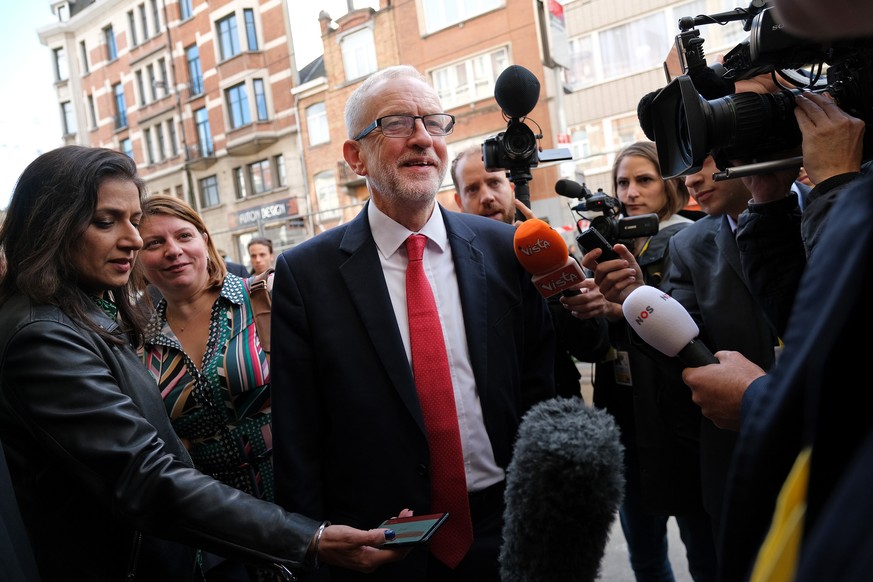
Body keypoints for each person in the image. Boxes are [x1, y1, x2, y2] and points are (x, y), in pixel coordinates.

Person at [0, 145, 409, 581]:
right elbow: (145, 475)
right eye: (106, 222)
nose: (135, 240)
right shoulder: (43, 335)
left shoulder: (87, 315)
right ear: (52, 224)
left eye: (135, 223)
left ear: (205, 240)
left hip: (272, 511)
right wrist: (308, 540)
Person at [270, 65, 556, 582]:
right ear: (356, 156)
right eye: (398, 123)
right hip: (380, 546)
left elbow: (540, 387)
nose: (423, 138)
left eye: (434, 123)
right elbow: (299, 435)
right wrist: (313, 549)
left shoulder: (502, 249)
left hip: (510, 530)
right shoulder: (305, 275)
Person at [569, 141, 717, 582]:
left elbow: (699, 331)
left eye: (644, 179)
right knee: (646, 557)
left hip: (681, 422)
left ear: (669, 184)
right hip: (624, 422)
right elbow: (592, 348)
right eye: (622, 182)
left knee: (706, 552)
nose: (631, 192)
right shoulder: (602, 248)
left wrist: (628, 309)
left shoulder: (692, 237)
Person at [135, 194, 278, 581]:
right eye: (154, 243)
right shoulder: (137, 341)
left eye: (183, 236)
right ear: (137, 257)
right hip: (213, 531)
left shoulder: (262, 298)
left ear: (204, 239)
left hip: (293, 498)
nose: (173, 251)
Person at [450, 144, 610, 398]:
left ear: (511, 189)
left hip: (558, 410)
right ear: (459, 201)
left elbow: (594, 347)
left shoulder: (550, 253)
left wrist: (553, 271)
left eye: (493, 183)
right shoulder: (451, 267)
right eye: (472, 189)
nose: (487, 197)